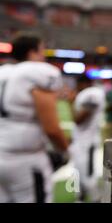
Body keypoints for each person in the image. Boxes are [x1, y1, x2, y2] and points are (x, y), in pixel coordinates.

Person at [0, 33, 69, 203]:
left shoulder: (4, 72)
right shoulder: (37, 73)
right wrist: (65, 150)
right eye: (42, 49)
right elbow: (52, 128)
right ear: (33, 51)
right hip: (25, 159)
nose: (44, 55)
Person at [69, 74, 105, 202]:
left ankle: (97, 198)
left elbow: (78, 120)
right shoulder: (91, 93)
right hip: (81, 141)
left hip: (87, 142)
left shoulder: (91, 93)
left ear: (83, 83)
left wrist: (70, 102)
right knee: (78, 173)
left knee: (88, 176)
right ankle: (81, 197)